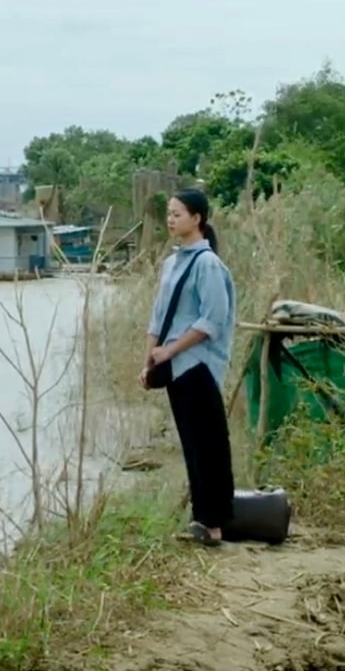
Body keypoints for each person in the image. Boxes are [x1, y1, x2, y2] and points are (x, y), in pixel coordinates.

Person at [139, 188, 238, 546]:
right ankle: (201, 519)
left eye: (178, 214)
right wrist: (148, 361)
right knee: (191, 444)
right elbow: (158, 317)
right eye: (169, 213)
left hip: (197, 365)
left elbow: (212, 320)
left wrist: (172, 350)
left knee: (209, 445)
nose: (171, 219)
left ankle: (214, 524)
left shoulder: (207, 264)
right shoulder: (172, 263)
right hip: (174, 367)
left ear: (197, 219)